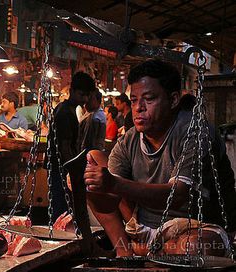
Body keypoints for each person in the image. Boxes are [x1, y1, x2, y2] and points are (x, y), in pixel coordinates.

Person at [84, 59, 236, 257]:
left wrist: (113, 183)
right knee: (93, 159)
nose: (139, 108)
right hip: (146, 230)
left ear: (173, 100)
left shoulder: (196, 131)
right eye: (134, 100)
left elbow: (177, 195)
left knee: (193, 248)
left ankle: (147, 251)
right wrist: (89, 188)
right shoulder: (129, 139)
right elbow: (109, 204)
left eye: (149, 99)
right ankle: (125, 252)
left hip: (197, 228)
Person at [47, 71, 96, 252]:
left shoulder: (68, 110)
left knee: (65, 207)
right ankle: (58, 247)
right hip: (60, 167)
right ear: (73, 91)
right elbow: (65, 146)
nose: (84, 99)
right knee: (61, 207)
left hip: (62, 167)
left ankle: (64, 243)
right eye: (82, 94)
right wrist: (71, 170)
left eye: (87, 95)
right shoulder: (64, 113)